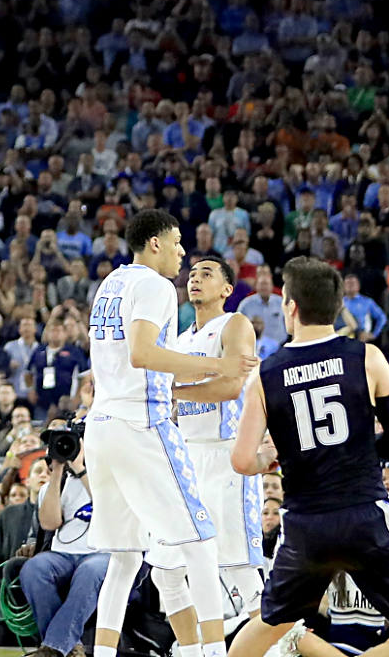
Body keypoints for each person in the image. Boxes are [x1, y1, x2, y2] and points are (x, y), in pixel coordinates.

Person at [225, 255, 389, 657]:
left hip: (306, 522)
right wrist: (356, 448)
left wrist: (272, 459)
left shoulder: (266, 373)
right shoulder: (367, 357)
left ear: (290, 307)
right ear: (336, 308)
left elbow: (242, 461)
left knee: (269, 622)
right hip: (365, 512)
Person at [85, 209, 257, 657]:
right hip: (141, 425)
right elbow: (143, 354)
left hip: (102, 425)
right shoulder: (154, 285)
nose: (183, 254)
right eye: (178, 243)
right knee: (200, 545)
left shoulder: (111, 284)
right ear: (156, 242)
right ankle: (212, 653)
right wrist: (215, 364)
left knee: (124, 559)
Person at [172, 255, 266, 619]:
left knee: (238, 566)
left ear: (227, 288)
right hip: (188, 455)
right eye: (192, 274)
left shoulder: (235, 323)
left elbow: (230, 386)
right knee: (185, 564)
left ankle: (277, 646)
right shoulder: (180, 340)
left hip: (229, 453)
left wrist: (174, 391)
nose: (195, 279)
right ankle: (201, 644)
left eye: (206, 274)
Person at [17, 433, 106, 657]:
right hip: (62, 554)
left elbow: (108, 512)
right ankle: (68, 646)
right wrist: (57, 473)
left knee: (89, 571)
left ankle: (53, 648)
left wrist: (81, 469)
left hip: (103, 552)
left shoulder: (109, 478)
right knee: (34, 568)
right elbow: (49, 523)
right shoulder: (52, 486)